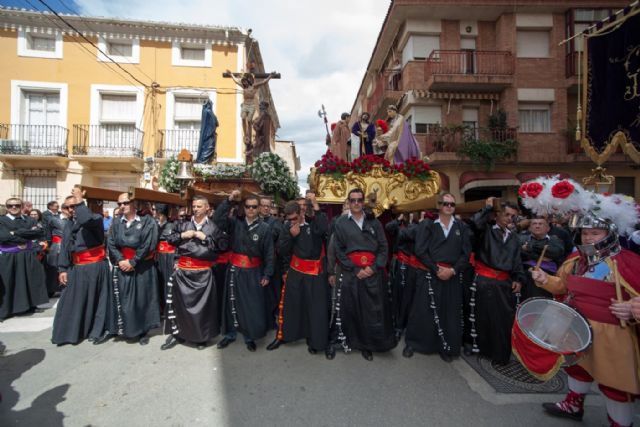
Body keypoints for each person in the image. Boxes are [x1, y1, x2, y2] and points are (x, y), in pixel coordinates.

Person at [521, 182, 640, 427]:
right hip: (576, 327)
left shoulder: (628, 262)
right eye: (585, 233)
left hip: (613, 334)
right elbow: (563, 287)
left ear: (610, 233)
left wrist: (632, 308)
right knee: (577, 369)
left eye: (594, 233)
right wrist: (546, 280)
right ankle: (574, 403)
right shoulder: (576, 259)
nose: (588, 237)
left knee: (615, 384)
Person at [404, 193, 471, 361]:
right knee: (422, 310)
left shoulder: (461, 227)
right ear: (439, 205)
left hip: (452, 275)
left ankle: (445, 346)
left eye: (452, 204)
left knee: (449, 313)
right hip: (429, 273)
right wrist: (436, 269)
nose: (449, 207)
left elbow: (465, 253)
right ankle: (414, 343)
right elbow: (420, 250)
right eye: (445, 203)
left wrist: (453, 271)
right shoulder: (427, 224)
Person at [331, 188, 395, 361]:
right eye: (353, 200)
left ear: (363, 202)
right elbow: (339, 250)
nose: (357, 203)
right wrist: (355, 269)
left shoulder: (374, 223)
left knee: (372, 311)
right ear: (349, 202)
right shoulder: (341, 223)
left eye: (360, 200)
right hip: (353, 273)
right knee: (354, 309)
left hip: (373, 273)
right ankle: (357, 343)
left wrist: (373, 268)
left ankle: (370, 344)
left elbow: (383, 247)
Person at [161, 196, 229, 350]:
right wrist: (182, 235)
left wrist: (205, 238)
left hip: (203, 273)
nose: (196, 209)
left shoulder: (214, 227)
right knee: (180, 307)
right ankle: (177, 335)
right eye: (194, 206)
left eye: (199, 206)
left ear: (207, 208)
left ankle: (201, 338)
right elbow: (170, 239)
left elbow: (223, 246)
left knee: (203, 309)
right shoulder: (183, 223)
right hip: (183, 272)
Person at [267, 195, 330, 357]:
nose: (292, 220)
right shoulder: (287, 226)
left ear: (301, 212)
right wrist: (290, 235)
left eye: (295, 217)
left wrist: (316, 205)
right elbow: (281, 250)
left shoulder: (314, 223)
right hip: (295, 272)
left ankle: (315, 341)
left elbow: (324, 229)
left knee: (315, 309)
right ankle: (286, 336)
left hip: (315, 274)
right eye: (290, 218)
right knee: (290, 307)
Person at [214, 190, 274, 352]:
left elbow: (269, 253)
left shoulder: (265, 228)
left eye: (254, 207)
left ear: (259, 208)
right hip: (234, 270)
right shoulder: (235, 223)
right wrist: (229, 200)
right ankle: (230, 335)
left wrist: (267, 274)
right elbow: (217, 219)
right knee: (231, 302)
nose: (251, 210)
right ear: (244, 207)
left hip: (254, 272)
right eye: (248, 207)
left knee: (250, 305)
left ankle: (249, 336)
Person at [468, 197, 524, 365]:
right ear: (497, 215)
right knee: (482, 317)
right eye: (506, 214)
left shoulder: (514, 237)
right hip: (484, 281)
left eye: (513, 216)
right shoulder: (485, 230)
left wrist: (518, 278)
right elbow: (474, 223)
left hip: (504, 283)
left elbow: (517, 261)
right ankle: (480, 349)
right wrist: (487, 208)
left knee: (503, 319)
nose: (509, 219)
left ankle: (499, 353)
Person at [52, 190, 110, 345]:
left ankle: (96, 331)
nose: (72, 209)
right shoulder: (69, 224)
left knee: (96, 302)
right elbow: (65, 247)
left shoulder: (95, 218)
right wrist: (62, 269)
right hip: (76, 268)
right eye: (68, 207)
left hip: (94, 267)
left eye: (75, 206)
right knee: (72, 302)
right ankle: (72, 333)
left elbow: (86, 220)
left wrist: (79, 199)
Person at [104, 193, 160, 345]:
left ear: (134, 203)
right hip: (122, 264)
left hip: (142, 266)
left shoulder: (147, 221)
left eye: (126, 203)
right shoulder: (116, 223)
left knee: (141, 300)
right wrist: (121, 260)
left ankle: (143, 331)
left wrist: (134, 261)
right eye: (119, 203)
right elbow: (111, 243)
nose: (122, 206)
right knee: (122, 299)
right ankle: (121, 328)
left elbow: (148, 243)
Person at [0, 198, 47, 320]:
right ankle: (5, 310)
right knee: (8, 282)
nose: (14, 207)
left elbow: (39, 233)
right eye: (10, 206)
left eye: (17, 205)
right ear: (7, 207)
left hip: (27, 255)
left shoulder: (30, 219)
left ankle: (30, 306)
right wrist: (24, 236)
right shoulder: (1, 220)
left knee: (30, 280)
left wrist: (14, 233)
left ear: (22, 206)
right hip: (9, 256)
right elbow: (3, 237)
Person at [226, 69, 275, 149]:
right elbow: (235, 81)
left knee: (249, 120)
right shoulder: (243, 87)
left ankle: (249, 134)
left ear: (248, 81)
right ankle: (246, 134)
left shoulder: (254, 86)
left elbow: (264, 82)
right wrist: (231, 74)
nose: (243, 83)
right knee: (242, 117)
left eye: (245, 81)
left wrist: (270, 76)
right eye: (243, 82)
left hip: (251, 105)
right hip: (245, 105)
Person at [518, 216, 565, 299]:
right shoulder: (521, 239)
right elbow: (519, 255)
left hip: (547, 278)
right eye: (534, 224)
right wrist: (542, 255)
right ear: (529, 228)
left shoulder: (555, 240)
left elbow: (555, 253)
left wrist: (529, 248)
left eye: (541, 224)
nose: (537, 226)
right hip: (525, 277)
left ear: (548, 228)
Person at [154, 204, 176, 312]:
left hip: (168, 255)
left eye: (158, 212)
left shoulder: (171, 225)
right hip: (158, 255)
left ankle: (169, 306)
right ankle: (160, 306)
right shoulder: (155, 225)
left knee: (168, 280)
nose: (156, 215)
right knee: (159, 280)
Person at [44, 201, 65, 297]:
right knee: (53, 267)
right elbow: (48, 232)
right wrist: (48, 244)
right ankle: (51, 289)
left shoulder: (73, 219)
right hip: (56, 244)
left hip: (66, 244)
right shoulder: (50, 217)